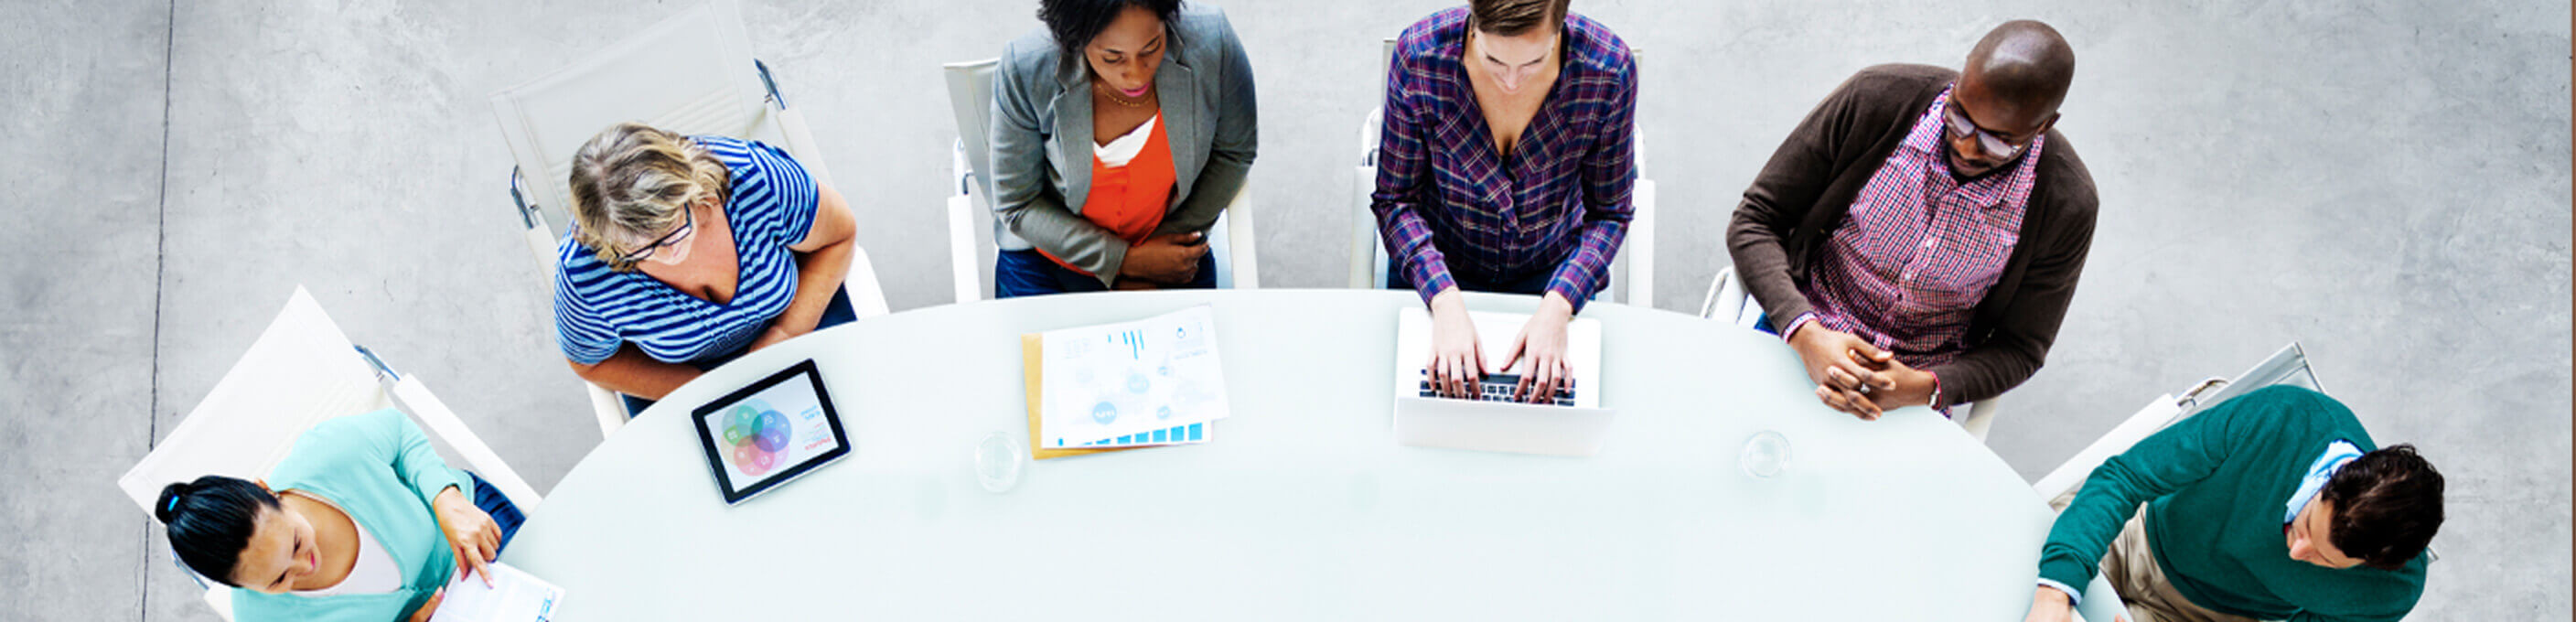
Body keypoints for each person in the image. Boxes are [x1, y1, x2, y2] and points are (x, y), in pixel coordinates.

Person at [1725, 20, 2096, 421]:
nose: (1967, 147)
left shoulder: (2065, 203)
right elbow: (1756, 221)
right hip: (1800, 327)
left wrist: (1925, 389)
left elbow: (2020, 349)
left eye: (1997, 141)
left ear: (2044, 125)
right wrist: (1805, 333)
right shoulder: (1876, 98)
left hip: (1913, 390)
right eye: (1959, 118)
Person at [1371, 0, 1637, 403]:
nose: (1511, 82)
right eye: (1494, 60)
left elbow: (1610, 214)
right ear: (1473, 26)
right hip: (1436, 267)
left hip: (1552, 272)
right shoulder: (1420, 58)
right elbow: (1395, 201)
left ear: (1560, 29)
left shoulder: (1607, 71)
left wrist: (1560, 304)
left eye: (1533, 62)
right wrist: (1442, 299)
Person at [2025, 386, 2443, 622]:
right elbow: (2126, 478)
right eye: (2306, 527)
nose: (2295, 552)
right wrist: (2053, 591)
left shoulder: (2392, 592)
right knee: (2012, 584)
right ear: (2330, 481)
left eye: (2322, 559)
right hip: (2129, 535)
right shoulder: (2280, 417)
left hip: (2213, 617)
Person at [553, 122, 862, 413]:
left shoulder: (754, 177)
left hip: (800, 321)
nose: (669, 253)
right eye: (639, 249)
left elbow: (839, 235)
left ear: (693, 190)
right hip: (686, 381)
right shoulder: (583, 273)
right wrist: (702, 390)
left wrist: (785, 331)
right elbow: (589, 362)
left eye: (674, 228)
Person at [988, 0, 1257, 297]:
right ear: (1075, 39)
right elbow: (1018, 203)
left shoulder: (1212, 42)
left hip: (1168, 252)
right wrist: (1127, 262)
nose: (1138, 75)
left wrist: (1159, 257)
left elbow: (1234, 153)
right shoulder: (1026, 70)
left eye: (1152, 48)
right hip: (1048, 260)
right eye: (1113, 58)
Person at [153, 409, 525, 622]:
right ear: (243, 589)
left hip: (471, 536)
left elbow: (398, 432)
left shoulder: (328, 454)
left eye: (295, 542)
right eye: (279, 579)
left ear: (269, 490)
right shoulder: (260, 618)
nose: (306, 566)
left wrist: (446, 500)